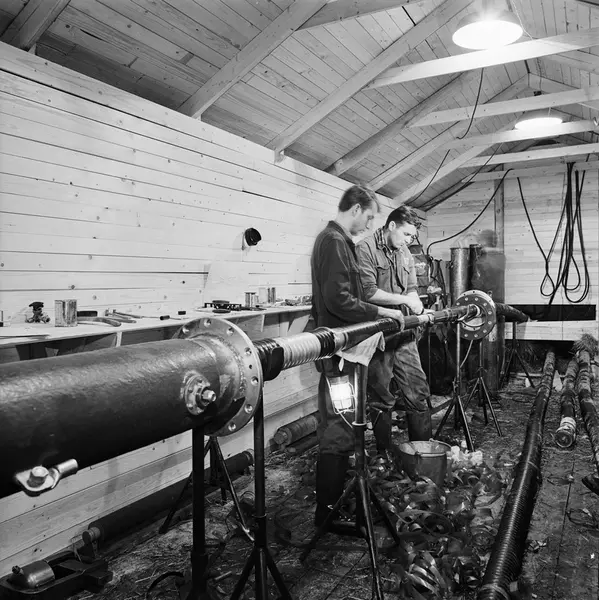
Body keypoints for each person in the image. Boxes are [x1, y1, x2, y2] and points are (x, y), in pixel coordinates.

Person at [311, 185, 405, 529]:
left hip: (345, 350)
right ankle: (327, 514)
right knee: (338, 427)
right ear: (354, 209)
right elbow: (339, 300)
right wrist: (382, 311)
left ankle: (334, 505)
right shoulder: (334, 242)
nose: (369, 224)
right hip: (339, 353)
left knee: (345, 422)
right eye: (368, 216)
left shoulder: (339, 241)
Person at [356, 206, 433, 448]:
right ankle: (384, 455)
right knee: (381, 396)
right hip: (378, 334)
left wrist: (417, 305)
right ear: (391, 226)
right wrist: (405, 300)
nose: (409, 241)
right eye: (406, 234)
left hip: (403, 330)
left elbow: (411, 288)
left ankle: (422, 453)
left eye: (412, 236)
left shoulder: (404, 251)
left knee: (417, 389)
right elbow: (368, 292)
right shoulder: (365, 248)